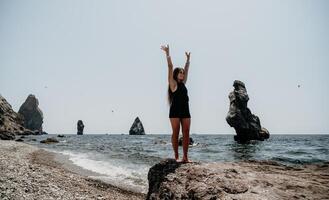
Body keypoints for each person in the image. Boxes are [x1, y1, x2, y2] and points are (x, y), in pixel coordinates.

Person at [160, 44, 191, 163]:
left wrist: (188, 60)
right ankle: (176, 156)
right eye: (180, 73)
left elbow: (187, 69)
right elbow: (170, 66)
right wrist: (167, 54)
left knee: (186, 133)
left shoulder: (184, 83)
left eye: (183, 73)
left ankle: (185, 157)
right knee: (176, 133)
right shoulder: (173, 84)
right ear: (176, 74)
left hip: (185, 110)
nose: (182, 74)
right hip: (175, 111)